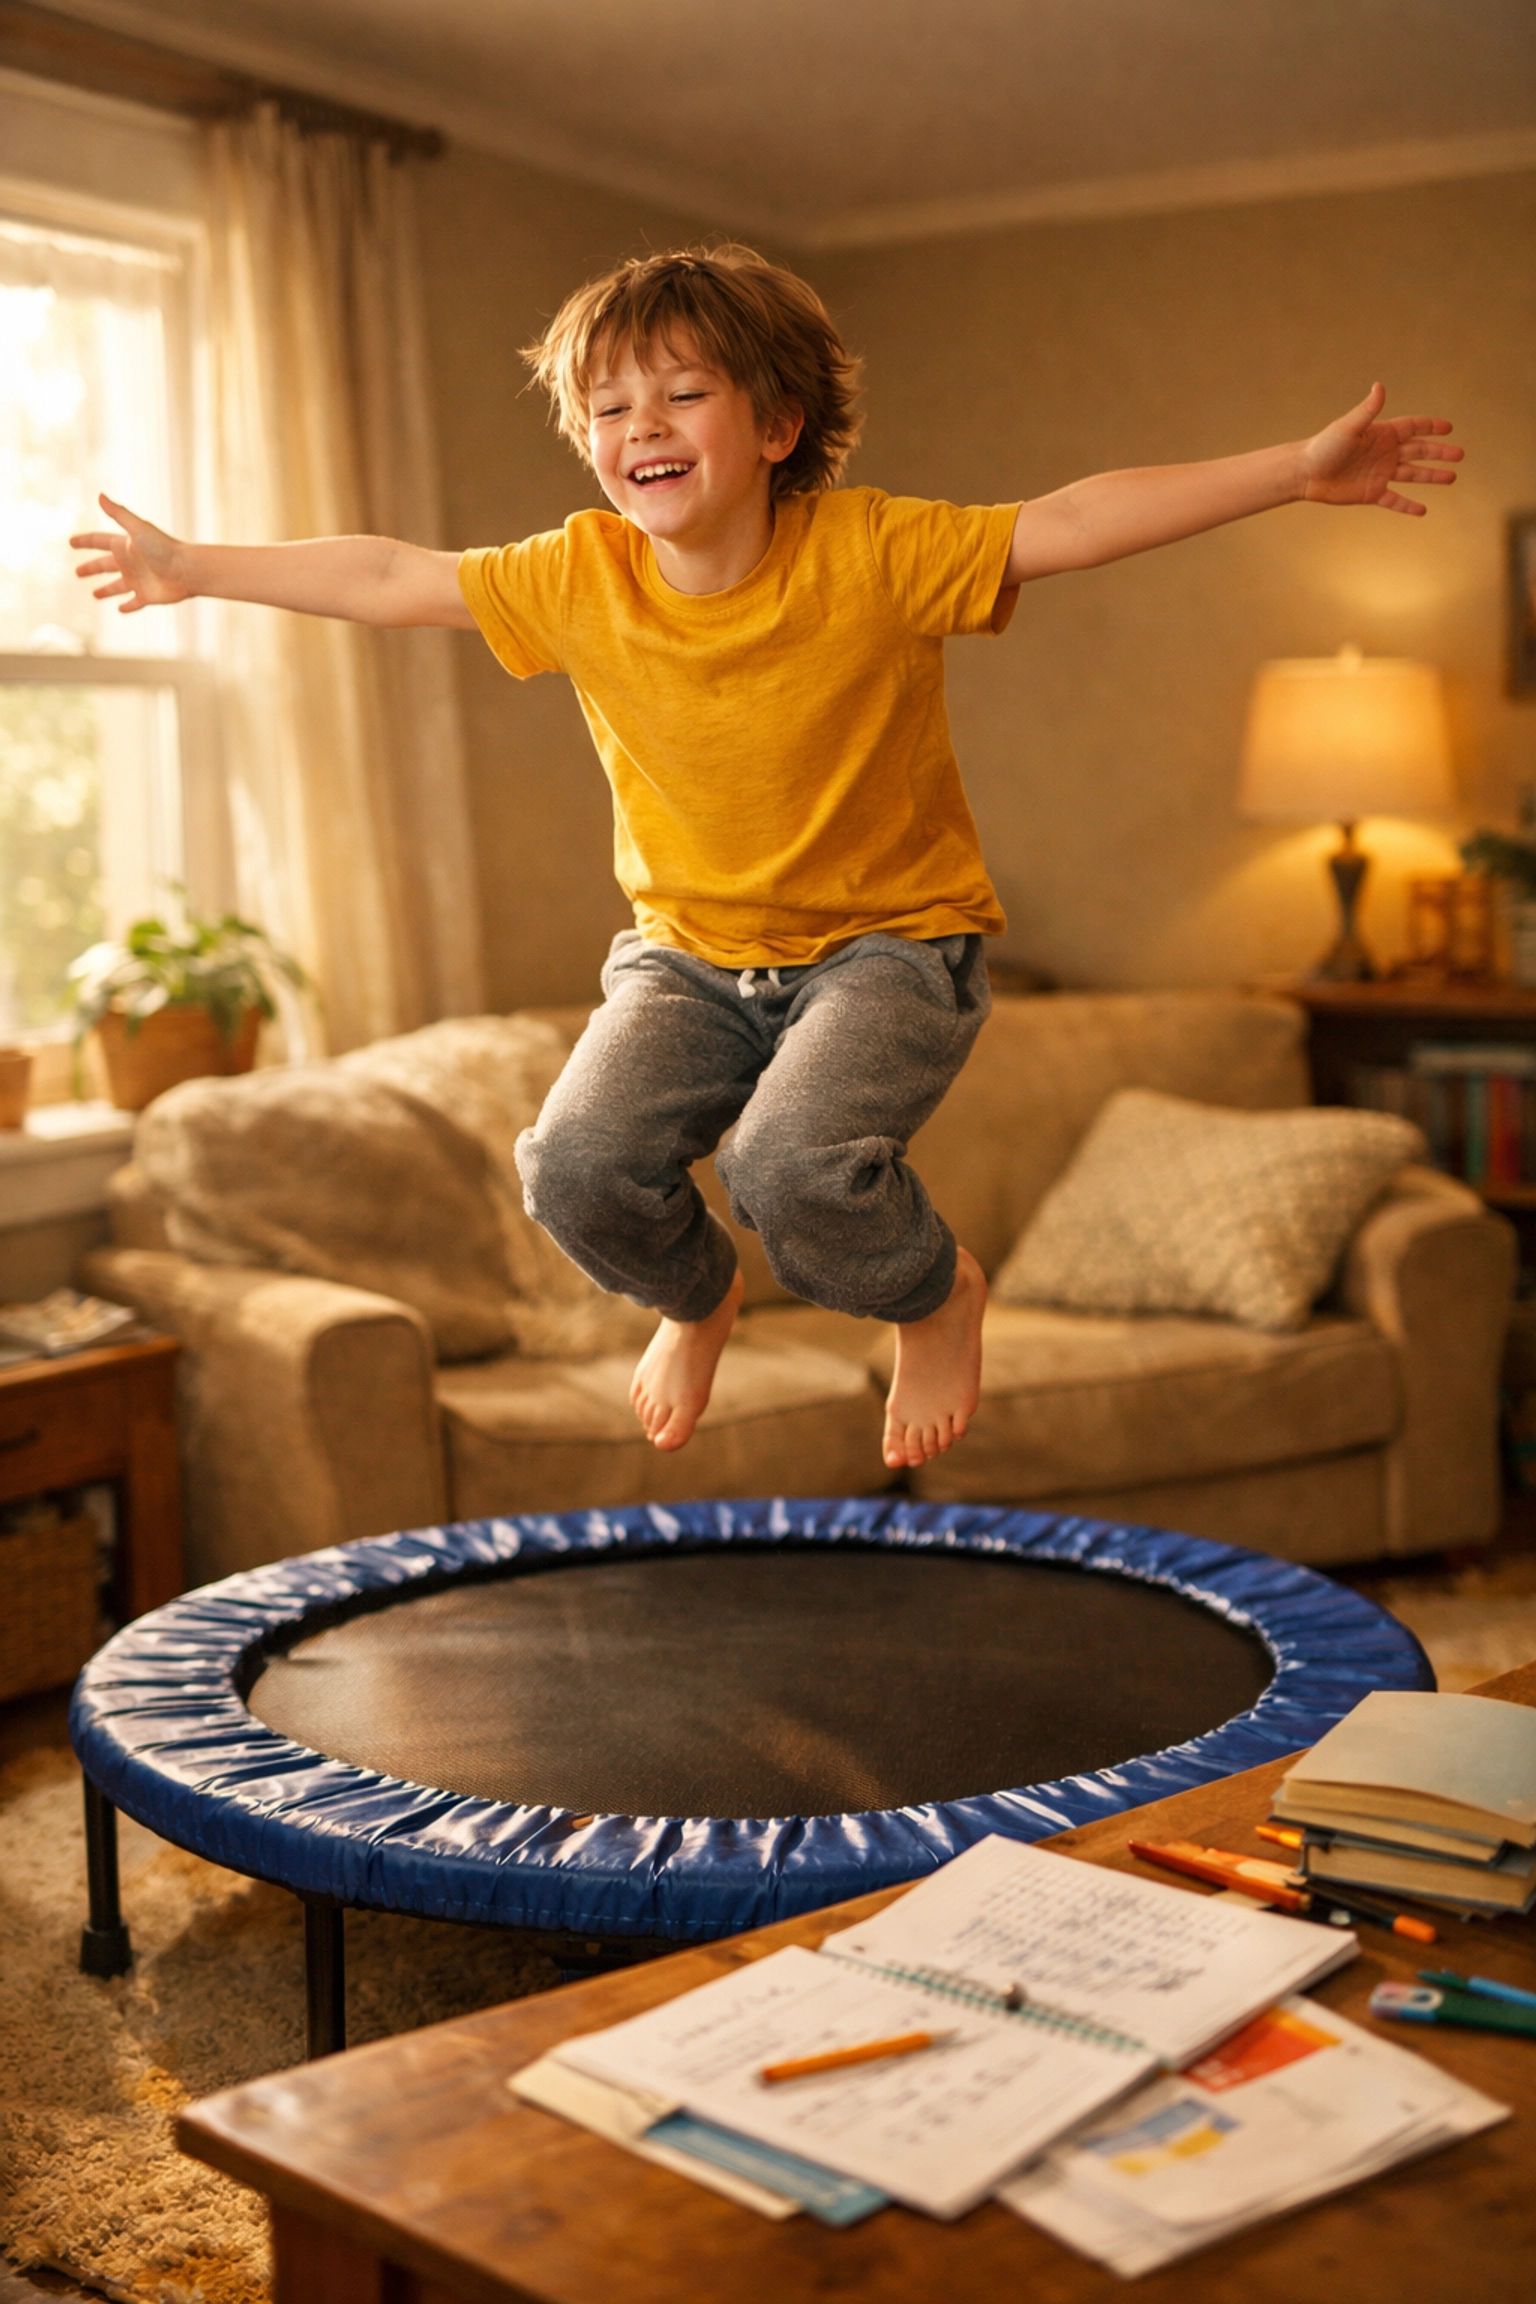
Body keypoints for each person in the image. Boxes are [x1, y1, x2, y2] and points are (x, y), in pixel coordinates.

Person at [72, 243, 1460, 1475]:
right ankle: (697, 1298)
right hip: (684, 960)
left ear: (778, 424)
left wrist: (1293, 471)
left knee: (794, 1171)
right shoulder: (580, 575)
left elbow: (1077, 520)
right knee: (571, 1167)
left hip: (889, 949)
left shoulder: (873, 551)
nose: (639, 429)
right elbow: (388, 577)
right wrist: (196, 566)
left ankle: (935, 1298)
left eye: (680, 395)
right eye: (609, 408)